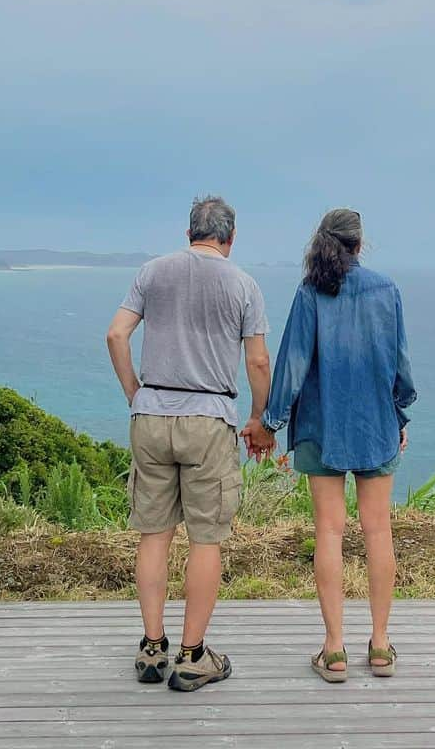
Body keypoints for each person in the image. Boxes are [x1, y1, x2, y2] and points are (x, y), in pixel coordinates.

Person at [243, 208, 417, 682]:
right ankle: (380, 647)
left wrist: (268, 424)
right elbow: (399, 363)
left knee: (329, 533)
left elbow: (293, 365)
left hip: (323, 425)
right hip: (375, 424)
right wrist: (398, 413)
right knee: (378, 532)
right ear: (361, 244)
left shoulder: (309, 292)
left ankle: (334, 649)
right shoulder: (386, 289)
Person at [106, 195, 271, 691]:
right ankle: (193, 655)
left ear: (188, 233)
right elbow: (258, 363)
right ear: (231, 237)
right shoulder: (244, 284)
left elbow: (117, 335)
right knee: (206, 538)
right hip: (209, 418)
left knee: (154, 534)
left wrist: (136, 393)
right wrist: (260, 418)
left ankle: (153, 648)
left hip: (152, 415)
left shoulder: (152, 272)